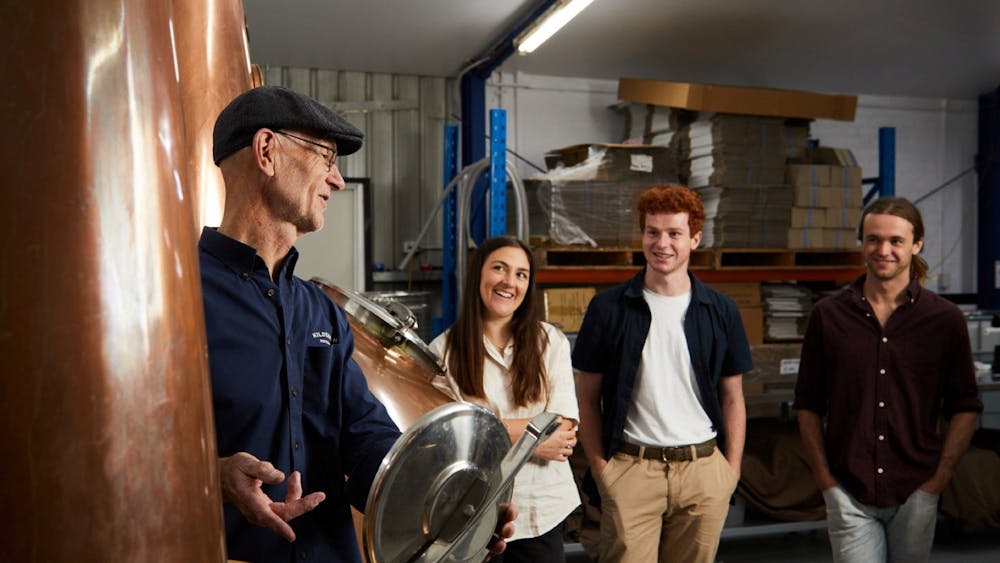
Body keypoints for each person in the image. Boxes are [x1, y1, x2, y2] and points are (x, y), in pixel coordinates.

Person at [200, 85, 514, 563]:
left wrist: (446, 503)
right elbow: (127, 446)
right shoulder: (179, 301)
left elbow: (363, 436)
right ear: (266, 151)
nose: (338, 180)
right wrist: (214, 476)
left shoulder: (320, 311)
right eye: (326, 157)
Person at [794, 196, 982, 563]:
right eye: (874, 239)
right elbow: (807, 403)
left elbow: (965, 406)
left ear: (917, 244)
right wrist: (826, 480)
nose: (884, 251)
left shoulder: (945, 320)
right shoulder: (828, 316)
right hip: (848, 492)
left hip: (917, 490)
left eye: (896, 241)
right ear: (862, 243)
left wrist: (937, 481)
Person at [573, 184, 751, 563]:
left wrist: (730, 472)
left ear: (695, 239)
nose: (662, 243)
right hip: (632, 470)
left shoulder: (722, 311)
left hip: (703, 471)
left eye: (674, 233)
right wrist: (604, 472)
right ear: (642, 235)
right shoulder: (608, 308)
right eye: (652, 232)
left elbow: (733, 397)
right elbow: (586, 397)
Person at [429, 236, 581, 563]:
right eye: (499, 268)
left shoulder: (550, 342)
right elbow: (450, 439)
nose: (509, 282)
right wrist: (535, 441)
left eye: (521, 274)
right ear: (478, 275)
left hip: (542, 511)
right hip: (472, 515)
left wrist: (483, 429)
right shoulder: (442, 352)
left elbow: (563, 431)